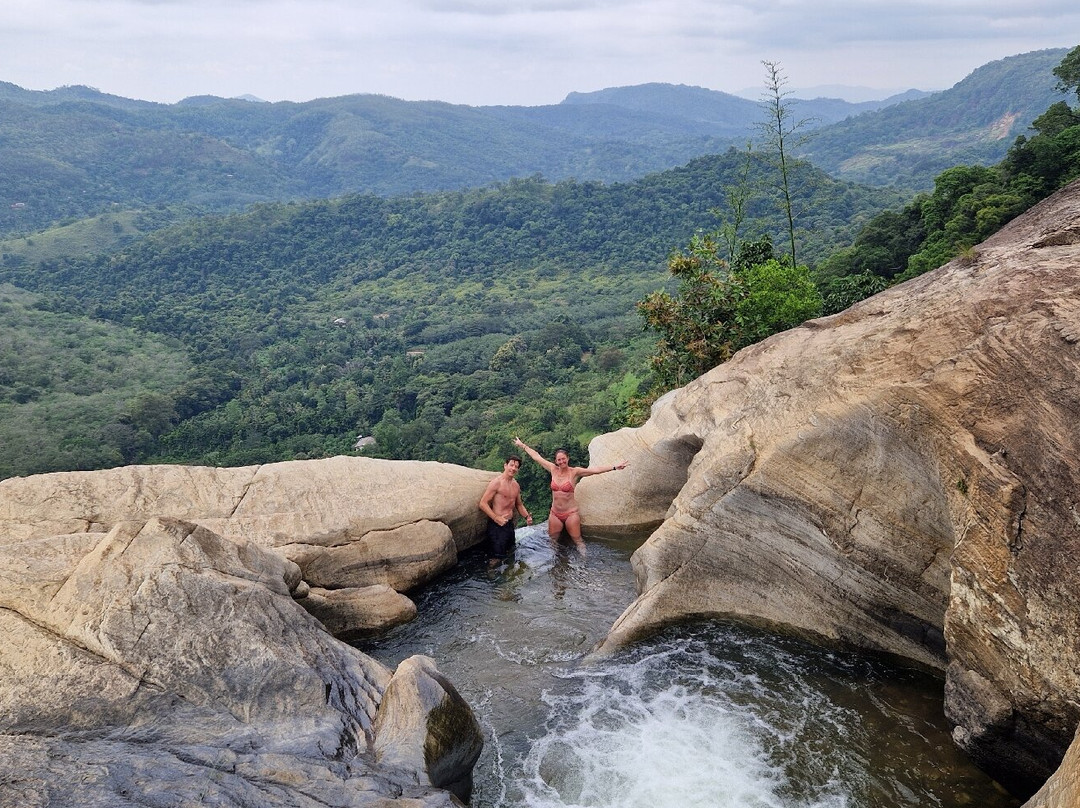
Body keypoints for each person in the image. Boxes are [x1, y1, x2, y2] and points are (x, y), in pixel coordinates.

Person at [513, 437, 627, 556]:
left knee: (578, 540)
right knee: (552, 541)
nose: (561, 462)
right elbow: (537, 457)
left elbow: (595, 470)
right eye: (559, 460)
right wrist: (522, 445)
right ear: (556, 461)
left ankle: (584, 562)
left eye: (563, 459)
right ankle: (556, 563)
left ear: (568, 458)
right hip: (555, 513)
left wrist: (614, 467)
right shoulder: (553, 469)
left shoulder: (575, 472)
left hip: (570, 514)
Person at [478, 454, 532, 567]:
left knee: (511, 552)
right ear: (505, 465)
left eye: (516, 467)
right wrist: (496, 518)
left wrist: (527, 517)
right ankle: (494, 582)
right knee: (496, 559)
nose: (513, 468)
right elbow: (483, 503)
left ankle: (509, 578)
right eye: (511, 465)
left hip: (509, 525)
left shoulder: (516, 485)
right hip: (497, 526)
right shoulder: (497, 483)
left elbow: (519, 505)